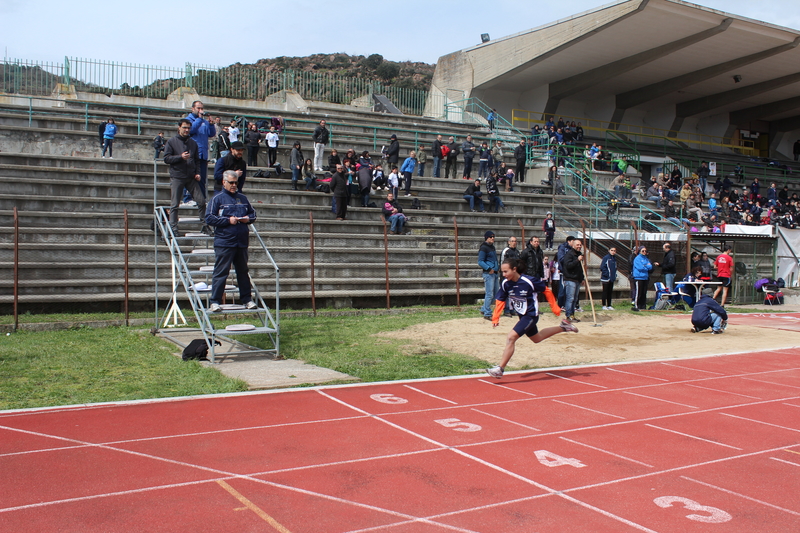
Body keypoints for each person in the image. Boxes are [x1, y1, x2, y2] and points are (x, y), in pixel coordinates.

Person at [485, 258, 576, 378]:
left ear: (514, 269)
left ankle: (500, 369)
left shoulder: (529, 281)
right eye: (502, 272)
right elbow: (500, 300)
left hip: (531, 316)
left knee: (511, 337)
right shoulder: (505, 284)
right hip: (522, 316)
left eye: (506, 271)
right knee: (537, 338)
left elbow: (546, 291)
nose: (504, 274)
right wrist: (495, 317)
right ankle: (564, 327)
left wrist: (554, 307)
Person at [205, 170, 257, 313]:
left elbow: (253, 214)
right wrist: (228, 221)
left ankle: (247, 299)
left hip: (241, 241)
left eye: (236, 182)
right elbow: (209, 217)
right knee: (221, 271)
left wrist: (248, 219)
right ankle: (215, 301)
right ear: (224, 182)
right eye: (231, 183)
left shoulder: (243, 198)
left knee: (243, 271)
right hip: (224, 241)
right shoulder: (217, 199)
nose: (234, 185)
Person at [163, 119, 207, 235]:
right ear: (179, 128)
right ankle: (173, 227)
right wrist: (180, 157)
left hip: (191, 176)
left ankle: (205, 225)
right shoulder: (171, 142)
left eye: (188, 128)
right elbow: (166, 158)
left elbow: (197, 160)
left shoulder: (193, 143)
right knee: (175, 204)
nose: (187, 130)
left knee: (201, 201)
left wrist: (198, 172)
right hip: (177, 176)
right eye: (184, 127)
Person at [185, 101, 215, 201]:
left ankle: (201, 199)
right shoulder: (188, 120)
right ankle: (188, 199)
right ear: (192, 109)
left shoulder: (204, 121)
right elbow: (191, 130)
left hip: (203, 154)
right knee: (190, 177)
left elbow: (211, 134)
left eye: (202, 108)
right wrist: (199, 119)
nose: (201, 110)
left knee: (201, 178)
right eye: (198, 108)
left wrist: (211, 124)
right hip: (192, 154)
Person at [561, 238, 584, 322]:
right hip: (570, 279)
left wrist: (582, 278)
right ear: (573, 245)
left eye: (580, 245)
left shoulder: (580, 254)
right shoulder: (569, 254)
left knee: (575, 298)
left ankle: (572, 314)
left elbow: (581, 268)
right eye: (577, 245)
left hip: (577, 279)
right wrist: (577, 260)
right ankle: (568, 315)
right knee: (570, 298)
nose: (579, 246)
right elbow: (568, 266)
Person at [479, 231, 499, 320]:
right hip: (488, 273)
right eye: (491, 237)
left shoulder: (492, 247)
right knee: (489, 294)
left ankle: (484, 309)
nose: (493, 238)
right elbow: (480, 261)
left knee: (495, 294)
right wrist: (488, 268)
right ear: (487, 237)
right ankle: (487, 313)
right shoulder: (484, 248)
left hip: (494, 273)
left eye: (493, 237)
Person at [632, 246, 658, 311]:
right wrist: (646, 267)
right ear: (640, 251)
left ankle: (643, 306)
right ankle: (637, 306)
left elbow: (650, 266)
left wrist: (645, 266)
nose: (644, 252)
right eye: (643, 251)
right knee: (639, 293)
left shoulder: (646, 259)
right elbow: (640, 267)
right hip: (639, 277)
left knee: (644, 293)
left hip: (645, 277)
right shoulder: (637, 258)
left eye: (645, 251)